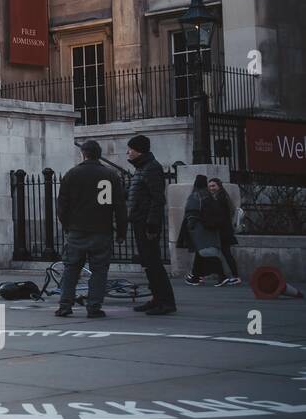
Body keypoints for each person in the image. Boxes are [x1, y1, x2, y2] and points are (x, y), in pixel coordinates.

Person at [55, 140, 127, 318]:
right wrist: (121, 230)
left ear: (83, 154)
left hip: (77, 229)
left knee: (71, 269)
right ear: (98, 154)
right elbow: (119, 206)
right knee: (99, 270)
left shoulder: (72, 174)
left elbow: (62, 205)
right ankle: (94, 306)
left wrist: (67, 225)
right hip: (102, 228)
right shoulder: (110, 175)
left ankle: (65, 305)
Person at [126, 134, 176, 316]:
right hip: (139, 220)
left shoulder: (151, 168)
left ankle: (166, 301)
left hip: (146, 223)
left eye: (130, 149)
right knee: (148, 263)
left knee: (154, 263)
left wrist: (152, 224)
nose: (128, 152)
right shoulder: (142, 168)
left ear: (139, 150)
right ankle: (156, 298)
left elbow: (157, 198)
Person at [179, 175, 233, 285]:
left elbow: (192, 213)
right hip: (211, 228)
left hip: (200, 229)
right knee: (202, 252)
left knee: (206, 253)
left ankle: (222, 276)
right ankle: (195, 277)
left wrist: (190, 227)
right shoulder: (209, 195)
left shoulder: (196, 195)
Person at [208, 177, 241, 286]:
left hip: (223, 231)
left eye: (213, 186)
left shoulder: (220, 198)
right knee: (226, 254)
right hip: (225, 230)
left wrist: (211, 224)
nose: (211, 188)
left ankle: (232, 277)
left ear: (219, 186)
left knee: (224, 254)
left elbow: (220, 216)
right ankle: (233, 276)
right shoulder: (222, 196)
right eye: (210, 186)